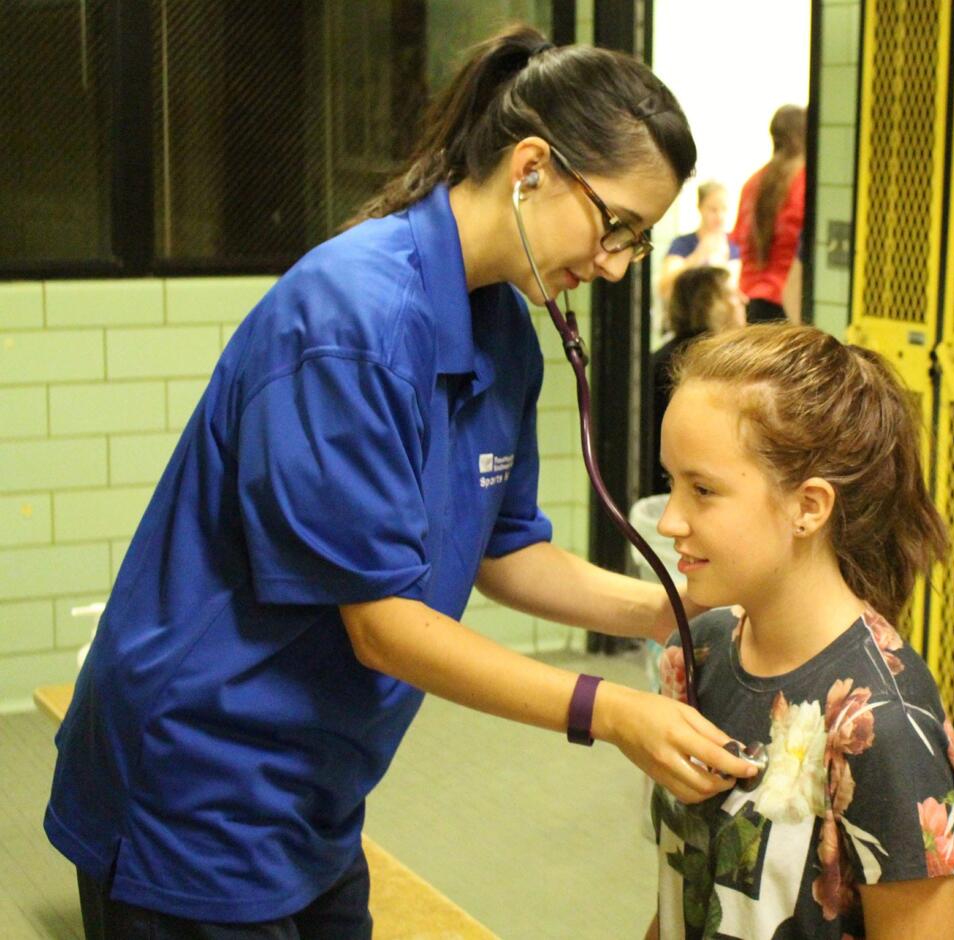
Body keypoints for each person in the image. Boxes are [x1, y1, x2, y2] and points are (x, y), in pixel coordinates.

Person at [45, 25, 756, 938]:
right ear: (531, 167)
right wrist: (607, 711)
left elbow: (508, 551)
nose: (616, 265)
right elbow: (382, 628)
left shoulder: (502, 330)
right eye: (614, 225)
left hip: (315, 784)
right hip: (196, 775)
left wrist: (667, 610)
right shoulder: (351, 319)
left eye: (640, 241)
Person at [647, 325, 954, 939]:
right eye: (671, 483)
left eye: (702, 490)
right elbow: (680, 894)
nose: (670, 520)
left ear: (809, 507)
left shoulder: (881, 723)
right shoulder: (695, 656)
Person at [649, 265, 743, 495]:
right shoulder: (715, 364)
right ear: (710, 304)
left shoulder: (659, 357)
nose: (744, 299)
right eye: (732, 294)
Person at [731, 105, 807, 323]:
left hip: (750, 300)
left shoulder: (752, 183)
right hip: (789, 302)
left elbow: (739, 239)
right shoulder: (806, 184)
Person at [656, 180, 740, 305]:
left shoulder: (735, 244)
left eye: (724, 209)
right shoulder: (682, 244)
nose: (719, 216)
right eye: (713, 209)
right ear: (700, 208)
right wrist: (698, 256)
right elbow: (665, 289)